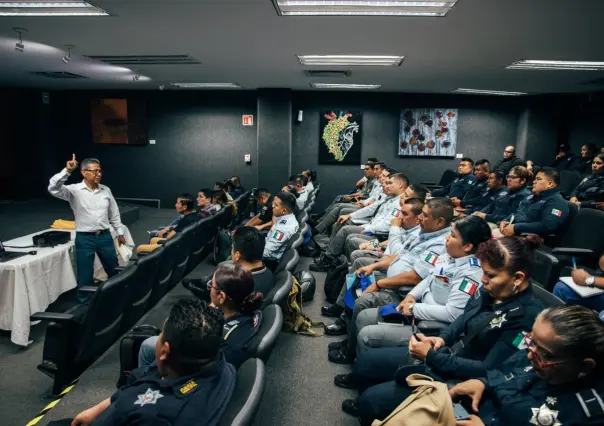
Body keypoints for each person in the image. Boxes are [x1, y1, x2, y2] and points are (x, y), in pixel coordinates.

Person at [346, 235, 546, 424]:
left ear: (518, 278)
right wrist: (441, 339)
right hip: (444, 354)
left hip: (461, 379)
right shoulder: (490, 290)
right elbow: (462, 319)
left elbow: (489, 369)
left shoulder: (527, 317)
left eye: (490, 275)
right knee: (365, 362)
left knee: (370, 402)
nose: (483, 279)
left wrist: (432, 357)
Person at [327, 198, 453, 364]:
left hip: (402, 290)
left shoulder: (438, 245)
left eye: (425, 215)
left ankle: (350, 351)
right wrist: (375, 266)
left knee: (363, 301)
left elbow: (415, 277)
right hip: (392, 278)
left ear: (440, 222)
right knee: (360, 272)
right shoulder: (424, 234)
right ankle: (345, 321)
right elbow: (399, 256)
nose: (420, 218)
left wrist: (379, 284)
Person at [71, 299, 235, 426]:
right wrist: (99, 408)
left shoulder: (142, 410)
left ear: (164, 351)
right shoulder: (223, 365)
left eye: (161, 333)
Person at [350, 215, 492, 355]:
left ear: (467, 246)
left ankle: (362, 369)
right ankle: (353, 355)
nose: (447, 238)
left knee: (367, 334)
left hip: (430, 327)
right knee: (364, 317)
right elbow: (429, 278)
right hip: (415, 307)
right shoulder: (449, 256)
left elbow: (453, 313)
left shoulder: (471, 273)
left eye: (453, 236)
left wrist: (413, 308)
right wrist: (412, 295)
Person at [449, 305, 604, 426]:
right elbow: (508, 373)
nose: (530, 355)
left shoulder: (586, 416)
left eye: (546, 354)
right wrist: (483, 383)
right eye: (533, 342)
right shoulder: (539, 356)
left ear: (584, 366)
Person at [140, 264, 264, 372]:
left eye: (211, 285)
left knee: (147, 346)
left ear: (222, 296)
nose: (209, 288)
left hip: (196, 371)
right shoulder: (249, 309)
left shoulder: (223, 340)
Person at [321, 198, 425, 321]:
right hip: (387, 256)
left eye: (405, 213)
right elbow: (391, 244)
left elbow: (396, 248)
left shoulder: (412, 231)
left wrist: (393, 229)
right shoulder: (409, 227)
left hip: (395, 271)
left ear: (418, 217)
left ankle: (344, 313)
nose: (400, 216)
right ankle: (342, 305)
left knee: (357, 254)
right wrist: (375, 245)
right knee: (358, 258)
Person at [48, 155, 125, 303]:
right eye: (95, 171)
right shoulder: (74, 190)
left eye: (100, 171)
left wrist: (120, 232)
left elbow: (114, 214)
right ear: (84, 172)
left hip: (105, 237)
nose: (99, 174)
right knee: (85, 275)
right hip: (85, 239)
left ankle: (118, 298)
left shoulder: (106, 190)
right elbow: (53, 188)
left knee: (114, 269)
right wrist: (67, 171)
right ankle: (86, 306)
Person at [310, 172, 408, 272]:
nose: (385, 185)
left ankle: (331, 259)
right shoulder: (390, 198)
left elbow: (387, 228)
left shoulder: (399, 205)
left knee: (348, 232)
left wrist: (368, 230)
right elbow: (373, 210)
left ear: (400, 184)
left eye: (389, 183)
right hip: (376, 232)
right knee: (347, 226)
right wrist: (353, 217)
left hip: (379, 236)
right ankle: (333, 258)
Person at [183, 226, 275, 299]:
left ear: (237, 255)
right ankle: (205, 283)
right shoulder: (269, 273)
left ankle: (204, 290)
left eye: (232, 248)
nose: (232, 251)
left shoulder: (237, 284)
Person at [498, 167, 569, 238]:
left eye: (538, 179)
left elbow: (548, 226)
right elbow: (518, 213)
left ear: (550, 184)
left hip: (530, 240)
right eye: (535, 179)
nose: (534, 182)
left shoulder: (557, 201)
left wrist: (516, 227)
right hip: (514, 234)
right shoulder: (531, 197)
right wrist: (505, 220)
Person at [263, 192, 299, 271]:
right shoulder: (290, 217)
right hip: (270, 248)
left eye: (276, 205)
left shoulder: (282, 229)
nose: (272, 206)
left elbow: (266, 253)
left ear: (284, 211)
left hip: (269, 262)